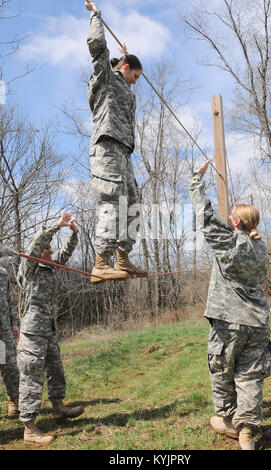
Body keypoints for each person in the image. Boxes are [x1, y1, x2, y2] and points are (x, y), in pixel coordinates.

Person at [189, 160, 271, 451]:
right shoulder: (261, 247)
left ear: (237, 222)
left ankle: (227, 421)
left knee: (222, 371)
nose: (228, 216)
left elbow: (204, 213)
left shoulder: (228, 241)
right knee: (250, 376)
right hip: (258, 322)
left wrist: (196, 179)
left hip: (229, 322)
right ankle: (247, 432)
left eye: (232, 215)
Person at [85, 0, 147, 282]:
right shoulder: (105, 79)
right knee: (112, 202)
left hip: (123, 153)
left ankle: (122, 259)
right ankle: (101, 261)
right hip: (106, 148)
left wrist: (125, 55)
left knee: (133, 203)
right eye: (135, 76)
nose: (135, 82)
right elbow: (98, 48)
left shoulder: (124, 86)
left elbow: (126, 78)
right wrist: (97, 16)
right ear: (126, 68)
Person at [17, 213, 84, 444]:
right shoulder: (29, 268)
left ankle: (59, 409)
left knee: (56, 372)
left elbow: (66, 252)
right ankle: (29, 428)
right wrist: (57, 226)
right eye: (48, 249)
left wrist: (74, 233)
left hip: (49, 331)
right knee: (31, 379)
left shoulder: (50, 268)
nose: (51, 252)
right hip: (32, 334)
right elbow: (35, 246)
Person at [0, 245, 20, 419]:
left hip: (4, 329)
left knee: (9, 366)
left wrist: (14, 323)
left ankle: (14, 401)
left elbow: (10, 299)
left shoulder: (3, 273)